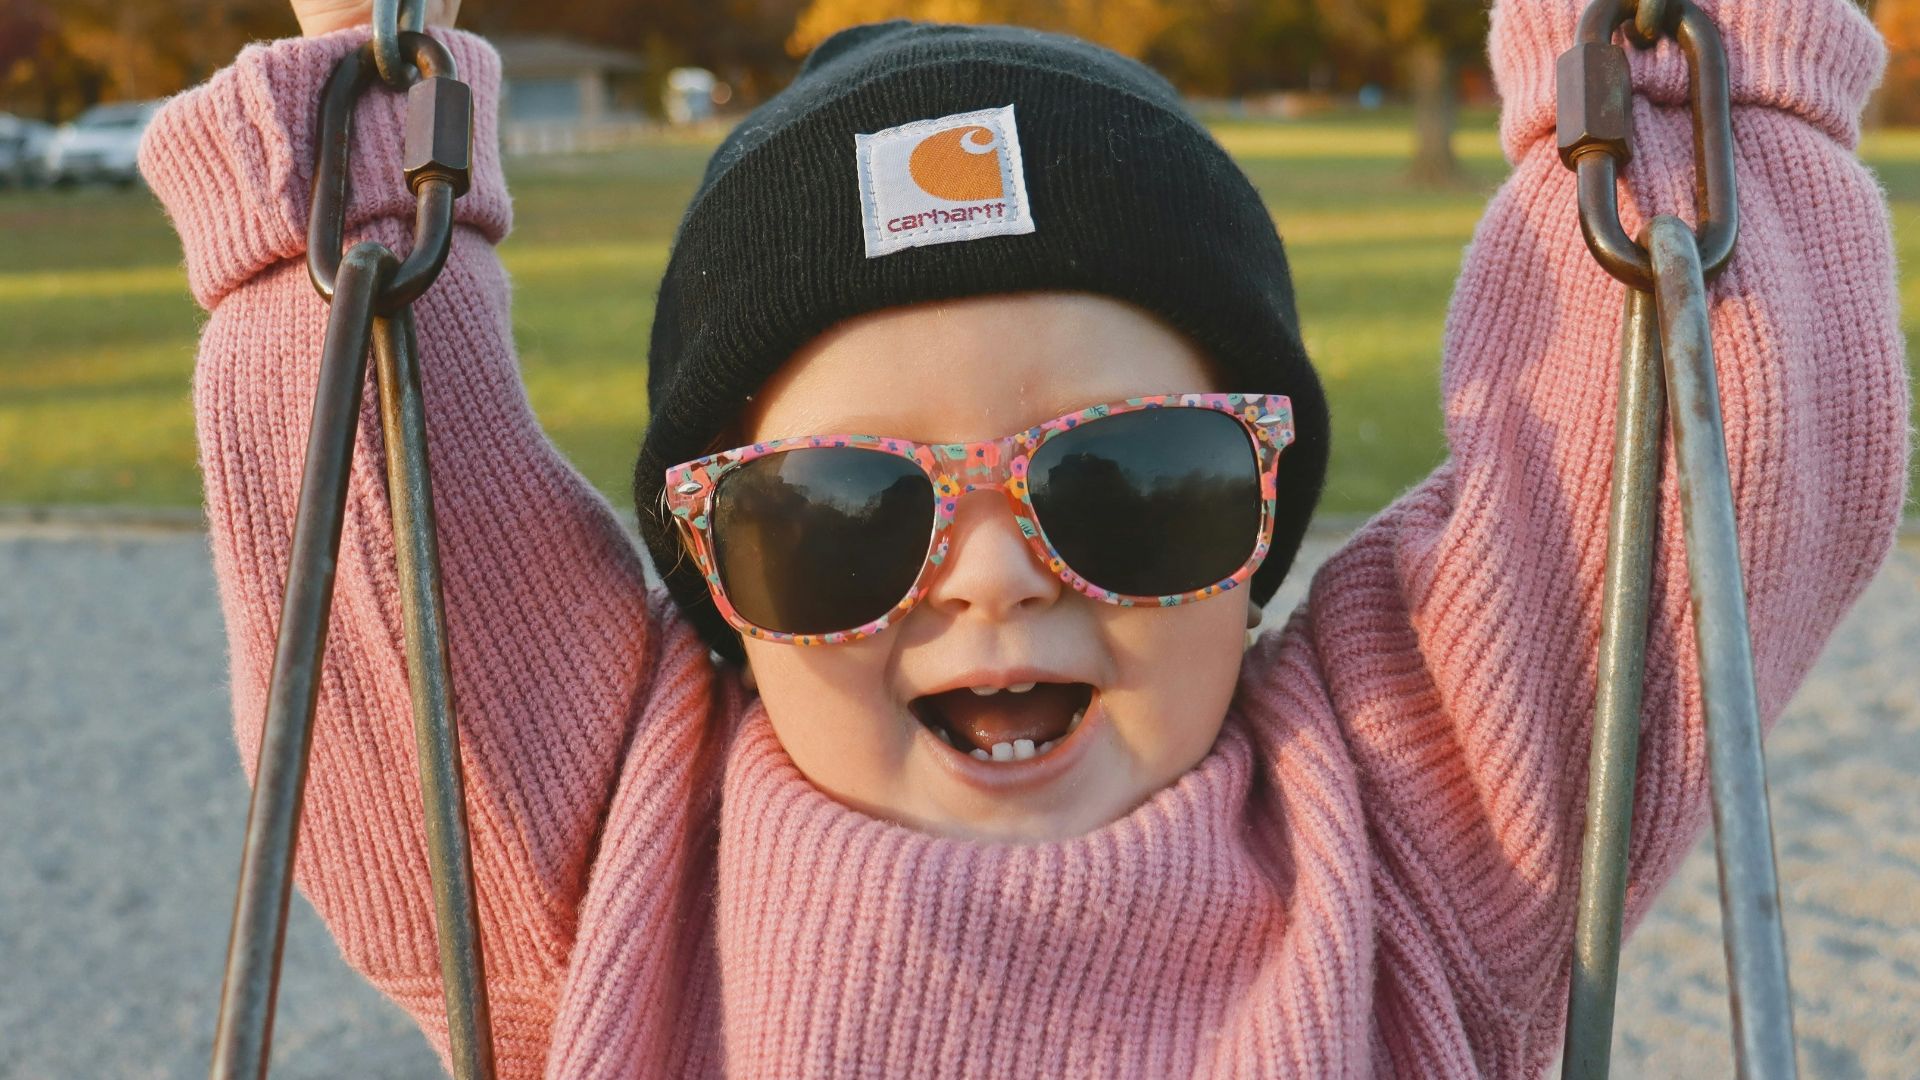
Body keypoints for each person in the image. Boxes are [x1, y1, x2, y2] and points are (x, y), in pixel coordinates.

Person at [139, 0, 1908, 1075]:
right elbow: (383, 593)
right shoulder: (614, 881)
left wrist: (1689, 113)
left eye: (1134, 485)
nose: (992, 577)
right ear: (722, 591)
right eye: (839, 518)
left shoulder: (1414, 843)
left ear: (1262, 522)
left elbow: (1702, 466)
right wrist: (338, 227)